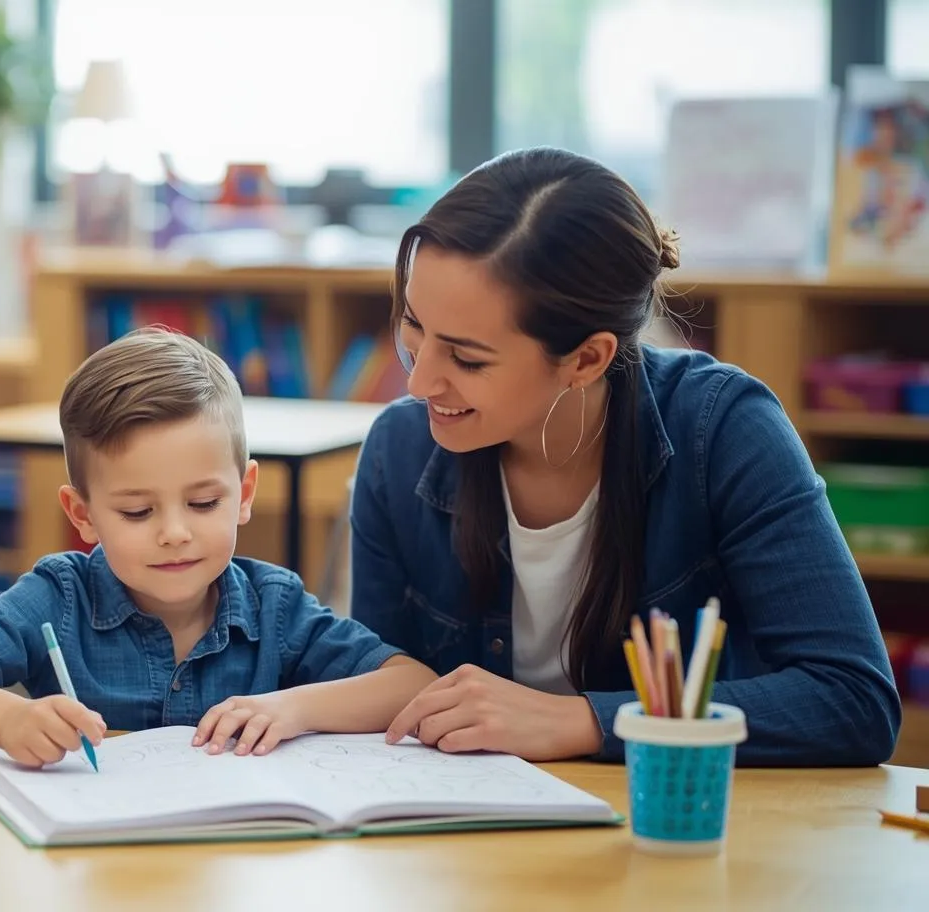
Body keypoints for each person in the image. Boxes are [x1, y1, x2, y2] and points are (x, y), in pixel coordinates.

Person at [350, 147, 901, 767]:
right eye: (413, 325)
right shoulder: (397, 452)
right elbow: (378, 685)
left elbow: (854, 700)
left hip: (677, 827)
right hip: (468, 840)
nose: (418, 382)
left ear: (587, 359)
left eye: (468, 359)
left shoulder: (723, 432)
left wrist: (584, 721)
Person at [0, 328, 436, 768]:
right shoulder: (59, 596)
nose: (175, 532)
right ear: (83, 515)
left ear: (244, 494)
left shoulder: (274, 606)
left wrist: (294, 707)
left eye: (203, 503)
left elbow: (412, 684)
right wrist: (7, 719)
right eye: (136, 512)